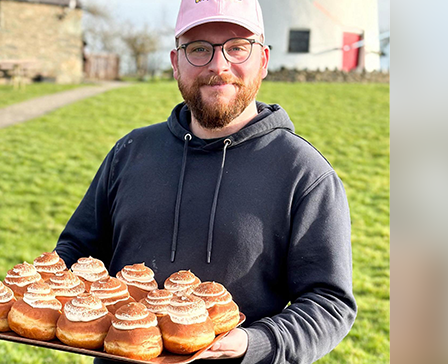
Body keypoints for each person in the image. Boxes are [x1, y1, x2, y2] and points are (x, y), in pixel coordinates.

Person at [55, 0, 356, 363]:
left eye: (237, 48)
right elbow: (76, 250)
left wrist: (254, 342)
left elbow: (329, 303)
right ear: (175, 62)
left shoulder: (304, 174)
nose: (218, 65)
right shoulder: (130, 152)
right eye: (199, 49)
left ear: (262, 60)